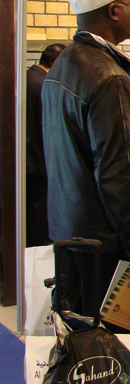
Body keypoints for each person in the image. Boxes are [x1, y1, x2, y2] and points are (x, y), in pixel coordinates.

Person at [42, 0, 130, 320]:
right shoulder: (108, 77)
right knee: (110, 341)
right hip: (104, 240)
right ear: (113, 11)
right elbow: (118, 171)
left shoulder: (61, 66)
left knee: (82, 333)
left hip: (71, 232)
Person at [26, 42, 65, 247]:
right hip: (38, 159)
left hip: (24, 159)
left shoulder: (27, 77)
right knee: (39, 215)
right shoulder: (43, 84)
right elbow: (47, 126)